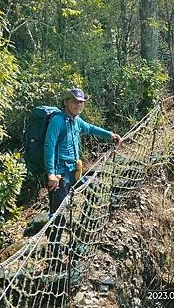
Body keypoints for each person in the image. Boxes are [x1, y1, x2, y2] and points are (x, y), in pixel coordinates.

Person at [44, 88, 121, 217]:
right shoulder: (58, 120)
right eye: (74, 101)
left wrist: (110, 135)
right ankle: (54, 236)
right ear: (66, 102)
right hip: (60, 173)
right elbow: (49, 146)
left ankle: (83, 226)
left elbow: (90, 128)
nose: (78, 105)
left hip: (75, 170)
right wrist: (51, 173)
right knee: (58, 213)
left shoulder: (76, 120)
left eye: (81, 102)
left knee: (93, 192)